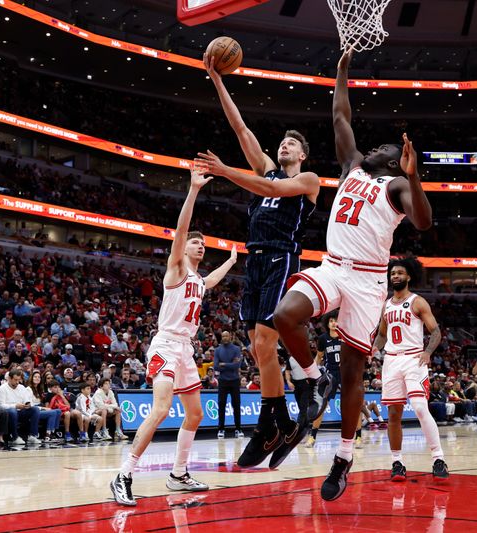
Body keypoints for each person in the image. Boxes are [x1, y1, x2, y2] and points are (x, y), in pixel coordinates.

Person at [271, 49, 432, 501]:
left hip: (367, 281)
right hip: (332, 266)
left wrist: (414, 175)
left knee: (354, 377)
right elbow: (341, 116)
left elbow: (423, 222)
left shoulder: (397, 185)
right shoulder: (352, 167)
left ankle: (343, 457)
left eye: (384, 148)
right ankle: (311, 375)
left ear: (393, 162)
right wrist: (341, 70)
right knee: (284, 315)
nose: (377, 146)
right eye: (377, 146)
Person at [197, 53, 325, 471]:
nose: (284, 145)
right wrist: (215, 78)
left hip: (283, 259)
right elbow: (239, 126)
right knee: (257, 346)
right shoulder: (267, 169)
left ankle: (273, 423)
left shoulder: (307, 181)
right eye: (282, 142)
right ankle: (280, 423)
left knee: (266, 342)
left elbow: (258, 182)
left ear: (303, 155)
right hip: (255, 260)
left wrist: (224, 170)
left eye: (293, 143)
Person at [111, 168, 237, 507]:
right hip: (166, 344)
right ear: (185, 249)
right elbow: (180, 231)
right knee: (163, 409)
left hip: (185, 350)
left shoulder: (197, 279)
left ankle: (178, 474)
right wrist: (194, 190)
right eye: (196, 242)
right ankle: (123, 474)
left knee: (195, 414)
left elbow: (210, 282)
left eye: (202, 243)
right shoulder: (177, 269)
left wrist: (232, 260)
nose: (199, 245)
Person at [372, 259, 448, 484]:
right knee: (393, 414)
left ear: (409, 276)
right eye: (393, 273)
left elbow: (435, 332)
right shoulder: (386, 305)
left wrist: (427, 352)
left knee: (419, 407)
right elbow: (383, 334)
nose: (395, 276)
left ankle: (438, 459)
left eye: (400, 273)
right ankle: (397, 462)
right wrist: (374, 348)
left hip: (414, 359)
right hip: (391, 362)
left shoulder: (418, 302)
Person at [305, 312, 342, 447]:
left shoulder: (345, 338)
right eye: (331, 320)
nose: (333, 323)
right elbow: (319, 357)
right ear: (327, 323)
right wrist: (313, 373)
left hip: (345, 373)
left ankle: (358, 436)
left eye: (336, 320)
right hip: (330, 374)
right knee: (322, 406)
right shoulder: (322, 338)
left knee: (354, 405)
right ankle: (312, 436)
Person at [0, 368, 42, 445]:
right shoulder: (2, 388)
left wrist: (28, 404)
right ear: (10, 378)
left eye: (19, 380)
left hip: (21, 411)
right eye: (15, 380)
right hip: (8, 412)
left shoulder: (21, 387)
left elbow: (27, 400)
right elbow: (1, 406)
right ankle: (15, 437)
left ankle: (32, 436)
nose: (17, 382)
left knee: (35, 409)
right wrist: (15, 406)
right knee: (13, 410)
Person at [215, 330, 243, 439]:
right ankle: (221, 429)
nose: (225, 337)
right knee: (221, 405)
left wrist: (224, 364)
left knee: (236, 405)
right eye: (223, 336)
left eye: (226, 335)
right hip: (223, 381)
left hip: (235, 380)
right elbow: (216, 366)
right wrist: (230, 364)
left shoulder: (236, 349)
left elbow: (237, 365)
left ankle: (238, 429)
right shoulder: (218, 350)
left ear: (230, 336)